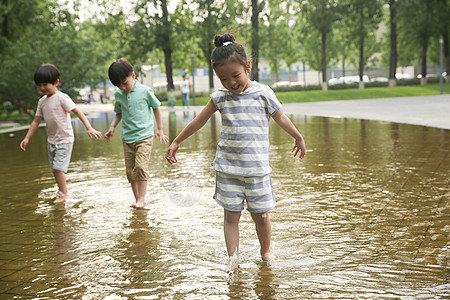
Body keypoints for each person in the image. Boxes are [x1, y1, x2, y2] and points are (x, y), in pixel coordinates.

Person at [166, 34, 306, 270]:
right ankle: (233, 259)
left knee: (261, 216)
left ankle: (266, 252)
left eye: (235, 76)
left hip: (258, 170)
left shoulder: (263, 93)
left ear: (247, 67)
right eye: (223, 78)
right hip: (228, 170)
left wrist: (298, 136)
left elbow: (280, 117)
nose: (231, 83)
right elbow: (199, 121)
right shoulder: (220, 97)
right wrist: (177, 140)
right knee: (231, 217)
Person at [20, 63, 103, 203]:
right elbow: (36, 121)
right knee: (54, 169)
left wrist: (89, 127)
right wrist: (27, 138)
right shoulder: (42, 102)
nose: (42, 88)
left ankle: (63, 193)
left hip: (65, 139)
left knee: (58, 169)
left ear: (56, 82)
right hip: (52, 141)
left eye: (45, 84)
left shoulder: (62, 97)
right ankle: (62, 191)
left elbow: (77, 111)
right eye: (39, 85)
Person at [104, 58, 169, 208]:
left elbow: (156, 107)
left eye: (124, 83)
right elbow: (119, 113)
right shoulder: (119, 95)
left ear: (133, 76)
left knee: (140, 166)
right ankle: (137, 199)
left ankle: (142, 199)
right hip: (127, 137)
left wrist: (160, 129)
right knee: (130, 171)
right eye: (118, 85)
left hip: (144, 136)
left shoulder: (145, 91)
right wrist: (112, 127)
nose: (122, 87)